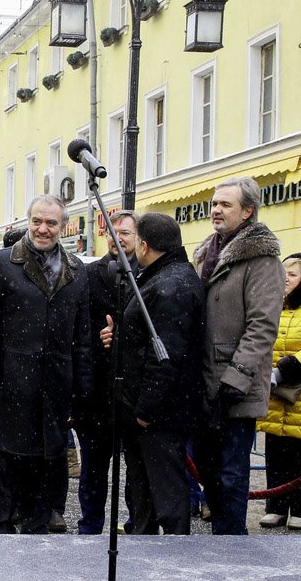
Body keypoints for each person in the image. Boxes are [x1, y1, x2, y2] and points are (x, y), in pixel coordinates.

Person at [0, 195, 92, 534]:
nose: (43, 229)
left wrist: (82, 386)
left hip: (54, 382)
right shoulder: (2, 262)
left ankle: (38, 531)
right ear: (29, 221)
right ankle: (0, 530)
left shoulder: (76, 270)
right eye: (37, 221)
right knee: (5, 461)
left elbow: (82, 334)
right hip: (11, 379)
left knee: (46, 461)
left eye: (51, 223)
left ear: (62, 226)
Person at [100, 213, 205, 534]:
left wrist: (146, 409)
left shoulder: (170, 284)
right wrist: (120, 335)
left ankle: (171, 559)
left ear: (144, 245)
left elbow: (165, 356)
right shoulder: (164, 276)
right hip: (150, 410)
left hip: (158, 415)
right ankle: (142, 547)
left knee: (166, 493)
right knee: (143, 490)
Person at [192, 177, 283, 535]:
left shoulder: (262, 260)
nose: (216, 209)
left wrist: (236, 377)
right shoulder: (207, 253)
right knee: (209, 473)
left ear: (247, 212)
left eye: (225, 204)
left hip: (234, 389)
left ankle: (233, 548)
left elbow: (262, 326)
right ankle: (221, 543)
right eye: (214, 203)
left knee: (231, 476)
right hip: (203, 384)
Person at [74, 209, 139, 534]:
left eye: (126, 233)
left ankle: (133, 521)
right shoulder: (90, 274)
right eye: (114, 233)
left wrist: (124, 335)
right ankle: (90, 524)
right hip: (97, 391)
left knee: (136, 467)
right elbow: (80, 330)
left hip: (134, 391)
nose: (119, 239)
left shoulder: (146, 275)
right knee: (94, 467)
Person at [257, 252, 301, 529]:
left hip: (297, 393)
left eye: (293, 275)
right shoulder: (273, 307)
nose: (286, 279)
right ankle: (276, 506)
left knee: (298, 453)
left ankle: (299, 507)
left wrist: (288, 367)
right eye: (284, 274)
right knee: (276, 451)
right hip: (275, 394)